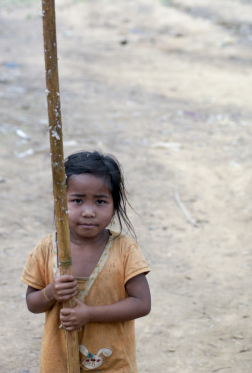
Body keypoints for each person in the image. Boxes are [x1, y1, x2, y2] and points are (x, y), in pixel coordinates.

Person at [21, 150, 151, 372]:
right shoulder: (47, 248)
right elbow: (32, 303)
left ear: (114, 205)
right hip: (59, 362)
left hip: (112, 362)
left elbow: (142, 303)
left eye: (100, 201)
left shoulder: (124, 249)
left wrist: (89, 314)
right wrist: (51, 292)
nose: (89, 212)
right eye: (77, 200)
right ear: (61, 202)